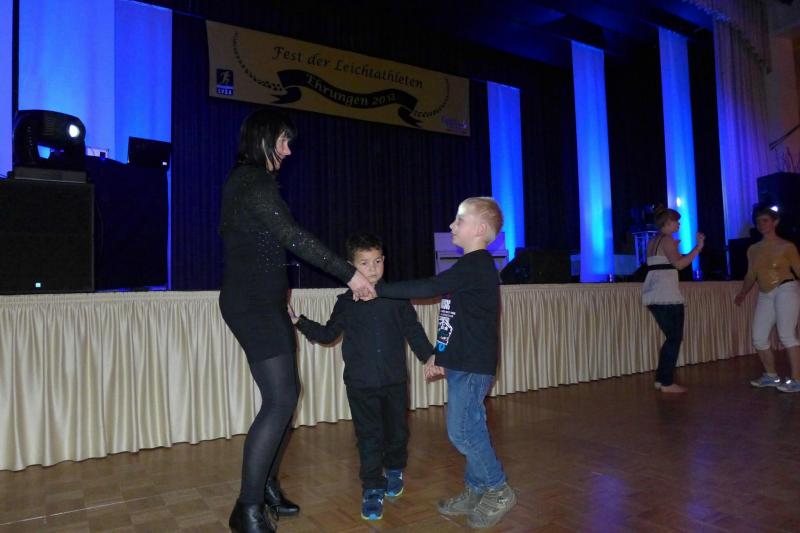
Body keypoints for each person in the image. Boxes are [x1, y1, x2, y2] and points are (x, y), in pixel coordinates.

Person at [218, 108, 376, 533]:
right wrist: (350, 274)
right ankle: (246, 509)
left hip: (262, 302)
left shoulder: (251, 182)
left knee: (287, 395)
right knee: (280, 399)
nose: (288, 151)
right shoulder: (251, 181)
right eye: (283, 142)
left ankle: (267, 487)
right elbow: (292, 237)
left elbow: (262, 247)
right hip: (251, 304)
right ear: (263, 140)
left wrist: (281, 293)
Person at [376, 197, 516, 529]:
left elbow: (430, 286)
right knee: (472, 427)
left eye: (459, 220)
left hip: (473, 365)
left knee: (462, 432)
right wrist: (439, 354)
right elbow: (449, 317)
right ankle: (476, 489)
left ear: (480, 229)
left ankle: (498, 489)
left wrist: (379, 290)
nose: (452, 225)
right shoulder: (469, 267)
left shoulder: (477, 265)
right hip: (461, 362)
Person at [288, 232, 434, 521]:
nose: (373, 268)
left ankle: (395, 469)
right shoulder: (346, 302)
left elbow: (413, 331)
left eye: (377, 261)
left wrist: (429, 356)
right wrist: (298, 321)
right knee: (369, 437)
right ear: (350, 267)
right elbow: (328, 334)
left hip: (394, 381)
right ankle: (372, 488)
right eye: (364, 263)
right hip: (360, 383)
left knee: (397, 433)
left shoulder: (396, 297)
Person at [734, 204, 800, 393]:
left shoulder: (787, 246)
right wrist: (742, 293)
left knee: (786, 334)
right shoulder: (753, 249)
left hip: (786, 288)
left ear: (775, 222)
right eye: (758, 222)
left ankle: (797, 379)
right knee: (758, 337)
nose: (761, 224)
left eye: (765, 221)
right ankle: (771, 376)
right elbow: (750, 275)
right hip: (765, 293)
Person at [641, 205, 704, 393]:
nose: (679, 224)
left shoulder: (653, 241)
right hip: (666, 294)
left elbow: (665, 263)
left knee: (672, 338)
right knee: (674, 338)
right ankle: (666, 382)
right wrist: (698, 248)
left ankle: (661, 380)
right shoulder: (667, 240)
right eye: (677, 221)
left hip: (654, 293)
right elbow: (679, 264)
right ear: (668, 222)